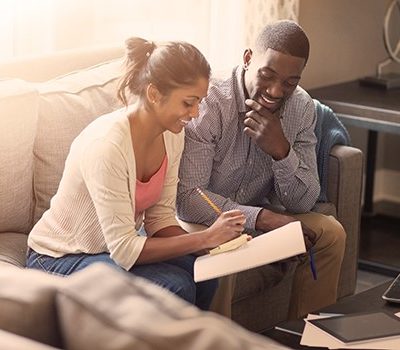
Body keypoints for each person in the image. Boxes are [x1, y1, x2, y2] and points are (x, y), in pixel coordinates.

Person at [26, 37, 246, 311]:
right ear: (154, 94)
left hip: (109, 249)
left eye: (199, 102)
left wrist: (209, 248)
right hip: (59, 256)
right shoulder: (107, 146)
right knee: (175, 285)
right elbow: (125, 249)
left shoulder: (172, 136)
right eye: (188, 102)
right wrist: (204, 237)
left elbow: (160, 218)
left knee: (204, 276)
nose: (195, 113)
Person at [176, 20, 346, 319]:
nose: (276, 91)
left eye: (290, 82)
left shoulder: (301, 107)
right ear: (247, 58)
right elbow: (189, 199)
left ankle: (310, 336)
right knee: (224, 247)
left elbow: (302, 202)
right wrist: (265, 219)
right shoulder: (211, 101)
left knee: (330, 232)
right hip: (204, 220)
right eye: (268, 75)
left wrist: (281, 151)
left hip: (256, 215)